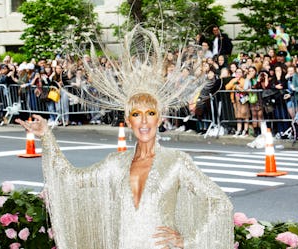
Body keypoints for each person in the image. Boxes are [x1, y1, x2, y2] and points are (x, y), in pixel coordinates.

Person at [16, 25, 233, 249]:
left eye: (150, 114)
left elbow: (220, 204)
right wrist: (47, 138)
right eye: (137, 115)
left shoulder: (177, 162)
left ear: (159, 119)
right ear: (129, 121)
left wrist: (187, 240)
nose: (144, 121)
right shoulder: (115, 163)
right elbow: (71, 179)